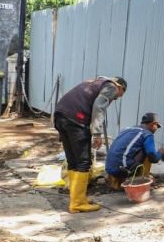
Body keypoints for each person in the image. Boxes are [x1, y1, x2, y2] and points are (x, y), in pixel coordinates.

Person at [53, 76, 127, 213]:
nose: (117, 98)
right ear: (120, 87)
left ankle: (77, 199)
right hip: (76, 119)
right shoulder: (111, 87)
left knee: (73, 161)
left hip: (61, 115)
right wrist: (97, 133)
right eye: (120, 94)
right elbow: (99, 107)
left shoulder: (94, 82)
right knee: (83, 162)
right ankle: (77, 203)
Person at [105, 112, 164, 190]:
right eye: (157, 126)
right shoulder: (147, 134)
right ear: (153, 124)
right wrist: (161, 152)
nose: (156, 129)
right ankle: (142, 179)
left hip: (109, 168)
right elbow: (153, 158)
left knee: (135, 150)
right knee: (147, 152)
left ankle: (115, 181)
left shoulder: (127, 129)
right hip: (122, 170)